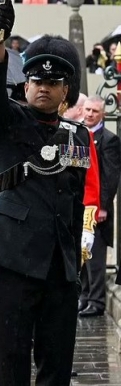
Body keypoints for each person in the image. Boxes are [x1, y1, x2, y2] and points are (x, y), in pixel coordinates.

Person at [0, 1, 100, 386]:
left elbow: (76, 199)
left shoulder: (77, 134)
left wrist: (78, 256)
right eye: (34, 80)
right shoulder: (9, 120)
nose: (42, 87)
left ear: (67, 90)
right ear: (25, 85)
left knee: (57, 364)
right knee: (11, 362)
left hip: (60, 261)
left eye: (53, 81)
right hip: (15, 256)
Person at [79, 96, 121, 318]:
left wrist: (102, 207)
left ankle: (96, 301)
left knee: (95, 257)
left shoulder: (109, 139)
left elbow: (110, 177)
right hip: (82, 206)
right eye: (87, 109)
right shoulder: (80, 134)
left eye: (94, 111)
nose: (89, 114)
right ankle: (85, 296)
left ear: (103, 114)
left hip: (98, 209)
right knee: (83, 256)